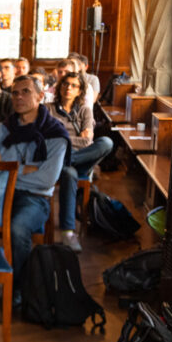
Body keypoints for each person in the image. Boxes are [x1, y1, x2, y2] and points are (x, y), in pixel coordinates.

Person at [0, 75, 69, 306]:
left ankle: (18, 285)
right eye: (14, 93)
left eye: (25, 92)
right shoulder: (2, 130)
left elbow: (46, 179)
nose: (19, 97)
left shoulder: (55, 134)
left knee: (17, 227)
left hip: (34, 198)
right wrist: (25, 168)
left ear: (40, 97)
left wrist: (6, 163)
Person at [49, 72, 113, 252]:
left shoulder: (85, 110)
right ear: (59, 87)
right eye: (65, 84)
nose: (68, 88)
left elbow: (88, 142)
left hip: (81, 158)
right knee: (69, 173)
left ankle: (69, 161)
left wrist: (64, 137)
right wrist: (75, 138)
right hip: (58, 158)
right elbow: (48, 139)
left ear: (80, 91)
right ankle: (68, 233)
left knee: (107, 142)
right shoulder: (48, 109)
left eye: (74, 86)